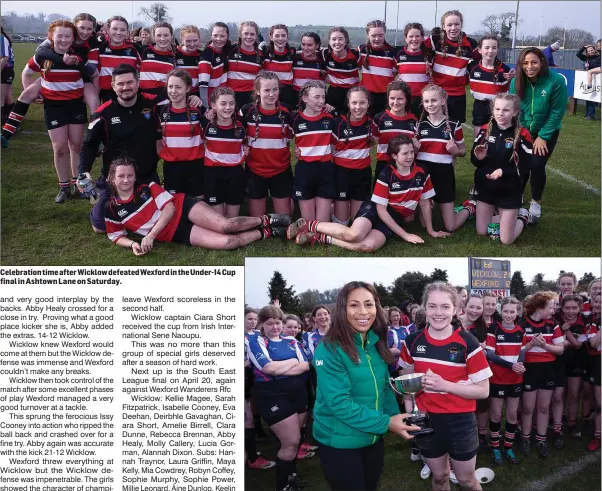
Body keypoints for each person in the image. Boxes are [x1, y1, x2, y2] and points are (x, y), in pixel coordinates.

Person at [313, 281, 419, 491]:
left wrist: (397, 418)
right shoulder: (329, 349)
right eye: (354, 305)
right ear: (342, 310)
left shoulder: (374, 343)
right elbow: (340, 404)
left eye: (369, 305)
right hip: (340, 444)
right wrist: (387, 423)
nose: (363, 312)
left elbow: (384, 388)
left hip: (372, 438)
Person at [400, 282, 492, 490]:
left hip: (460, 421)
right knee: (440, 477)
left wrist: (445, 385)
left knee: (467, 480)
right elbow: (407, 382)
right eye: (432, 306)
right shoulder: (412, 342)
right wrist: (411, 411)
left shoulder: (468, 342)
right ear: (424, 308)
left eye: (445, 306)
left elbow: (483, 390)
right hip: (428, 420)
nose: (438, 313)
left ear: (456, 309)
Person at [103, 155, 290, 254]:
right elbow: (116, 235)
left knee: (226, 225)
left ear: (135, 176)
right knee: (228, 242)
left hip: (183, 208)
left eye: (130, 175)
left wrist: (151, 235)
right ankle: (268, 231)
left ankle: (267, 219)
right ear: (112, 178)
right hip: (175, 233)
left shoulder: (146, 187)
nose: (126, 180)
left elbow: (170, 209)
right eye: (121, 176)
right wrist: (132, 245)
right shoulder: (111, 208)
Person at [288, 135, 448, 249]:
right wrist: (405, 235)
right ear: (394, 155)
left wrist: (431, 230)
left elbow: (425, 203)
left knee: (367, 246)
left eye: (412, 152)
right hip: (376, 210)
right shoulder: (386, 174)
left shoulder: (422, 172)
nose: (410, 157)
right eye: (405, 153)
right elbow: (381, 209)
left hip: (394, 217)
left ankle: (320, 237)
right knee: (353, 236)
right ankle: (308, 224)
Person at [77, 64, 169, 231]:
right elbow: (89, 144)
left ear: (137, 82)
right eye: (120, 84)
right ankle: (103, 199)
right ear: (113, 86)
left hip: (145, 177)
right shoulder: (103, 113)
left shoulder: (152, 105)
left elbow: (178, 102)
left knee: (158, 219)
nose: (125, 87)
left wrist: (194, 99)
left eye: (129, 82)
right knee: (100, 227)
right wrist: (83, 170)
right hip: (116, 180)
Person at [2, 13, 100, 148]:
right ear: (74, 26)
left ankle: (96, 137)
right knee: (27, 94)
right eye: (81, 28)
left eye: (89, 29)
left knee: (94, 101)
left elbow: (92, 70)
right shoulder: (60, 35)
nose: (85, 32)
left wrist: (75, 64)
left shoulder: (93, 42)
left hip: (81, 75)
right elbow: (40, 51)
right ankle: (6, 133)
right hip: (55, 74)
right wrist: (61, 60)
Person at [19, 20, 88, 204]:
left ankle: (78, 185)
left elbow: (88, 73)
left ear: (73, 38)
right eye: (60, 36)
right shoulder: (43, 56)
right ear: (51, 37)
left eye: (68, 36)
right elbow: (26, 73)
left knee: (76, 145)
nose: (64, 40)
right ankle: (63, 187)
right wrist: (34, 95)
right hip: (53, 106)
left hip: (75, 105)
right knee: (59, 148)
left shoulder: (77, 55)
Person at [247, 304, 311, 491]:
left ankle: (291, 476)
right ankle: (282, 485)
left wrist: (282, 367)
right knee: (290, 441)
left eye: (277, 323)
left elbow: (306, 365)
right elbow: (268, 368)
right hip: (272, 394)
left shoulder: (291, 341)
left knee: (295, 439)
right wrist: (291, 362)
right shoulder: (257, 342)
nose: (274, 327)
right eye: (269, 324)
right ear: (262, 325)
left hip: (297, 391)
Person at [509, 47, 567, 220]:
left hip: (547, 132)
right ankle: (517, 198)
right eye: (525, 63)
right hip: (524, 131)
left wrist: (542, 136)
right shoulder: (516, 81)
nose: (529, 66)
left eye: (534, 62)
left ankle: (535, 202)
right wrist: (524, 133)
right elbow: (516, 109)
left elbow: (557, 112)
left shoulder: (555, 81)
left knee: (537, 165)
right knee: (520, 165)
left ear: (542, 61)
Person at [471, 93, 536, 244]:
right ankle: (503, 216)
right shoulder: (485, 130)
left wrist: (503, 172)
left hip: (509, 190)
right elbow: (474, 161)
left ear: (514, 112)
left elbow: (526, 167)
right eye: (497, 109)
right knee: (482, 232)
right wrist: (478, 157)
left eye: (506, 110)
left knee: (506, 240)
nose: (501, 113)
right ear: (492, 110)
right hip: (486, 188)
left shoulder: (522, 134)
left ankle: (522, 216)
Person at [414, 84, 473, 232]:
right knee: (423, 225)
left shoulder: (454, 125)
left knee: (450, 227)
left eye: (433, 100)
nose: (430, 104)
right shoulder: (419, 125)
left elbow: (463, 151)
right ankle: (429, 202)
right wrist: (414, 148)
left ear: (442, 100)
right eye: (426, 101)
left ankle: (469, 207)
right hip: (424, 175)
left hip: (444, 175)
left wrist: (455, 151)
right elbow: (412, 155)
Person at [240, 71, 293, 217]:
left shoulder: (287, 112)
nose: (272, 94)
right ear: (257, 91)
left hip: (281, 169)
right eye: (267, 90)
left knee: (285, 219)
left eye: (275, 89)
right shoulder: (247, 111)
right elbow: (234, 133)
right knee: (257, 219)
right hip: (255, 170)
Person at [519, 292, 565, 457]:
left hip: (547, 368)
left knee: (544, 407)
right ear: (539, 307)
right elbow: (517, 352)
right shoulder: (522, 324)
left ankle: (541, 439)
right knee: (527, 407)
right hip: (529, 368)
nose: (553, 310)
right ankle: (525, 437)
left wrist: (545, 346)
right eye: (550, 306)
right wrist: (531, 345)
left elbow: (560, 349)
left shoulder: (553, 324)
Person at [485, 297, 525, 465]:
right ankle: (495, 447)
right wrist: (511, 366)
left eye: (512, 311)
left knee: (511, 414)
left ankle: (508, 447)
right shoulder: (494, 328)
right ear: (501, 311)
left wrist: (520, 364)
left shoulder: (520, 330)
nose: (509, 315)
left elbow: (522, 351)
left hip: (516, 379)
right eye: (506, 311)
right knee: (495, 414)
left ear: (518, 312)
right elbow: (490, 354)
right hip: (498, 379)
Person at [155, 69, 205, 197]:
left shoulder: (198, 109)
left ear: (188, 88)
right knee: (175, 203)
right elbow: (156, 136)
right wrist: (162, 153)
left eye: (178, 87)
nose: (173, 91)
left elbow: (208, 135)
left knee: (197, 202)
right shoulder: (161, 111)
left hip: (196, 165)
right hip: (172, 166)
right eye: (170, 87)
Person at [292, 81, 335, 222]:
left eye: (323, 97)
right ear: (305, 98)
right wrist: (295, 151)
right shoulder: (295, 119)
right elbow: (283, 138)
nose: (321, 101)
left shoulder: (330, 118)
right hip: (305, 170)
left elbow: (336, 142)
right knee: (309, 223)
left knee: (321, 224)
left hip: (326, 169)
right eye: (316, 97)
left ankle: (332, 210)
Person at [424, 10, 477, 124]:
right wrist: (427, 62)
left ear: (461, 25)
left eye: (457, 24)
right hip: (436, 93)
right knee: (434, 127)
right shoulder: (435, 40)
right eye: (449, 25)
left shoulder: (470, 44)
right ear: (443, 26)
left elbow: (482, 62)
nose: (453, 28)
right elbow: (418, 49)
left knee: (455, 130)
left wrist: (507, 71)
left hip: (457, 95)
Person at [332, 86, 374, 225]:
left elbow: (375, 141)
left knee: (356, 221)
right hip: (342, 173)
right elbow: (331, 150)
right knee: (342, 223)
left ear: (368, 103)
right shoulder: (338, 124)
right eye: (354, 103)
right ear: (348, 103)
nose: (358, 107)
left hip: (363, 173)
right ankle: (333, 207)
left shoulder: (371, 123)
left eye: (362, 103)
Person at [202, 87, 247, 217]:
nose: (228, 107)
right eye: (223, 103)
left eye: (231, 103)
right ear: (213, 106)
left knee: (232, 219)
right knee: (219, 221)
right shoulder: (206, 123)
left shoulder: (241, 124)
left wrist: (246, 149)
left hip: (235, 173)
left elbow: (248, 142)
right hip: (213, 173)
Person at [553, 293, 588, 448]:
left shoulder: (584, 321)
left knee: (574, 394)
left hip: (576, 361)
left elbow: (578, 345)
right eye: (567, 308)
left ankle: (572, 423)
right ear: (562, 307)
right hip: (558, 361)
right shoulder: (556, 318)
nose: (571, 311)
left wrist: (567, 332)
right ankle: (557, 425)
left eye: (574, 308)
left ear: (579, 308)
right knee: (558, 395)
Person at [243, 307, 276, 470]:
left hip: (252, 378)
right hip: (243, 375)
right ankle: (252, 458)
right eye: (249, 319)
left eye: (255, 319)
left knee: (251, 411)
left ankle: (251, 449)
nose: (253, 322)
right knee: (246, 418)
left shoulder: (257, 335)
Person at [372, 80, 418, 187]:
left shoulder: (413, 120)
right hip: (384, 164)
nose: (395, 102)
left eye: (400, 99)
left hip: (406, 165)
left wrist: (416, 148)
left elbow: (415, 146)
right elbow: (370, 143)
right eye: (392, 98)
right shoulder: (379, 118)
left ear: (407, 99)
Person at [88, 16, 140, 103]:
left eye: (123, 30)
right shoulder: (99, 47)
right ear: (108, 30)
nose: (118, 32)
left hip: (129, 93)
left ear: (127, 32)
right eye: (115, 29)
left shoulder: (135, 49)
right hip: (107, 94)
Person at [467, 36, 511, 137]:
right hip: (479, 105)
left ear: (498, 50)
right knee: (478, 138)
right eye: (487, 48)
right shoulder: (472, 67)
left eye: (494, 48)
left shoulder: (505, 70)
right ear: (479, 50)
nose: (490, 51)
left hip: (498, 107)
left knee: (495, 138)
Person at [358, 20, 397, 115]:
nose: (377, 39)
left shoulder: (392, 52)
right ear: (368, 35)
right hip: (366, 96)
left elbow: (400, 71)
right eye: (373, 36)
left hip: (386, 97)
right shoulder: (361, 50)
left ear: (385, 34)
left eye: (380, 35)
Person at [396, 23, 432, 118]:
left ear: (422, 37)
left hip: (423, 99)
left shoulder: (429, 55)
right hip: (404, 98)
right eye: (411, 36)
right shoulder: (399, 54)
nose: (414, 39)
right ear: (405, 38)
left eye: (417, 36)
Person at [226, 21, 263, 111]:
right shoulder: (230, 50)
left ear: (256, 36)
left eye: (252, 34)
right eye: (246, 33)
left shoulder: (261, 55)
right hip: (230, 95)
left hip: (251, 97)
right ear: (240, 35)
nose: (249, 37)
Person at [323, 27, 360, 115]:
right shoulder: (325, 54)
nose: (337, 42)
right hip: (333, 93)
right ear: (329, 41)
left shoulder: (356, 55)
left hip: (352, 93)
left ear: (346, 41)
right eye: (333, 39)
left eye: (340, 39)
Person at [261, 24, 296, 108]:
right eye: (277, 35)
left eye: (283, 35)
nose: (280, 38)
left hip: (287, 95)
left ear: (287, 37)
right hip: (269, 93)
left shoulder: (293, 54)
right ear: (271, 37)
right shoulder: (264, 53)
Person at [139, 22, 176, 97]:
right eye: (159, 35)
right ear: (153, 37)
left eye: (166, 35)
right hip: (144, 100)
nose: (162, 39)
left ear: (171, 36)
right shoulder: (144, 51)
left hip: (164, 100)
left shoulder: (173, 56)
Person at [584, 290, 601, 451]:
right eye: (596, 302)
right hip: (598, 362)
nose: (598, 305)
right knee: (599, 402)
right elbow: (594, 343)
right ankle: (597, 435)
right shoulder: (594, 323)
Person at [199, 22, 230, 107]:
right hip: (211, 103)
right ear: (211, 36)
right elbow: (203, 86)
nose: (218, 39)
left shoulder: (225, 51)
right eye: (215, 35)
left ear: (227, 37)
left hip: (222, 100)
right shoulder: (207, 55)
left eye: (222, 36)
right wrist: (206, 108)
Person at [175, 25, 201, 96]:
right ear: (181, 39)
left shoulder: (202, 56)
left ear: (199, 39)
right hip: (177, 95)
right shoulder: (174, 55)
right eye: (188, 41)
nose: (192, 44)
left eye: (195, 40)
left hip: (196, 97)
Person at [576, 44, 600, 120]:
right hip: (590, 80)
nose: (590, 52)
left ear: (594, 50)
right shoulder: (586, 58)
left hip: (597, 80)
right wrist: (584, 47)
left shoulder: (599, 57)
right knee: (588, 97)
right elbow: (578, 54)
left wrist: (591, 68)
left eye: (591, 50)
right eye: (588, 51)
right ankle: (588, 115)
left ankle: (591, 115)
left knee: (593, 98)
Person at [0, 25, 15, 128]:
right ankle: (13, 122)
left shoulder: (1, 38)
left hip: (4, 70)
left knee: (1, 98)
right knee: (7, 97)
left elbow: (5, 58)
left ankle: (6, 124)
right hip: (6, 70)